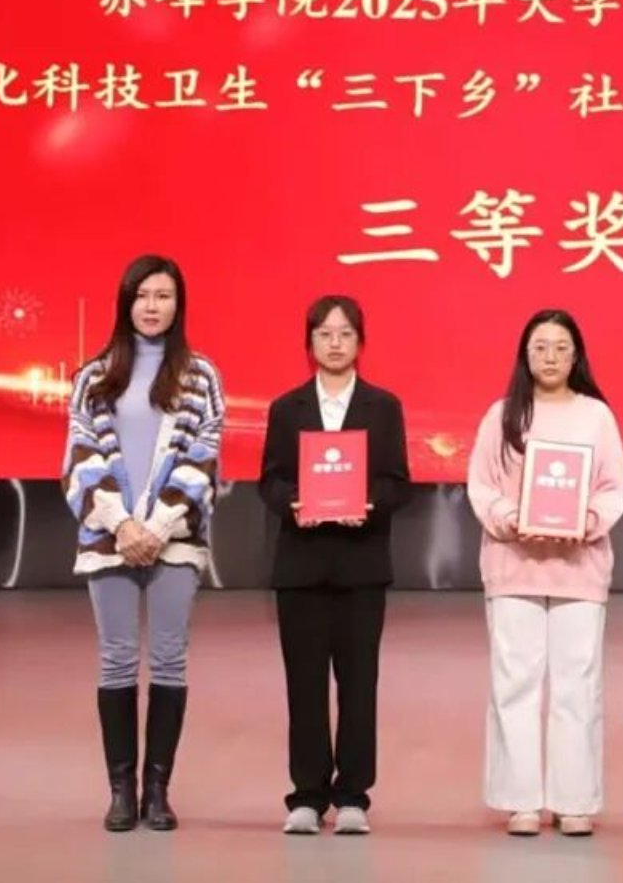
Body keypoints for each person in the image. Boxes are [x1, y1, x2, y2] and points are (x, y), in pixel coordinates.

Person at [63, 254, 224, 832]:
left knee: (169, 659)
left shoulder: (200, 376)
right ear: (126, 303)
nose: (153, 307)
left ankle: (157, 790)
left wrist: (156, 528)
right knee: (117, 659)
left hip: (173, 541)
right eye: (143, 296)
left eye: (164, 296)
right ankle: (121, 792)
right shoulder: (94, 375)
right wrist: (122, 525)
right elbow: (79, 456)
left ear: (179, 304)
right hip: (109, 537)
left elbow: (204, 455)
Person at [466, 309, 623, 837]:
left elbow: (613, 488)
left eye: (561, 347)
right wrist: (510, 518)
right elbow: (481, 485)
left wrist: (586, 521)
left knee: (576, 686)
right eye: (540, 347)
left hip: (579, 569)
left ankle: (573, 800)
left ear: (576, 355)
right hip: (514, 565)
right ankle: (520, 801)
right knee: (514, 684)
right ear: (525, 355)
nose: (551, 356)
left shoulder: (596, 416)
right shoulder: (502, 416)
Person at [257, 295, 414, 835]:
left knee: (358, 684)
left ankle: (352, 796)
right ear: (309, 344)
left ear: (360, 342)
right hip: (300, 567)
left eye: (345, 333)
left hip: (360, 566)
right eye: (324, 334)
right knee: (303, 685)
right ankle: (305, 796)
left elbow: (398, 482)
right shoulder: (287, 408)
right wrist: (293, 502)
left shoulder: (383, 406)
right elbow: (271, 481)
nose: (335, 343)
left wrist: (367, 503)